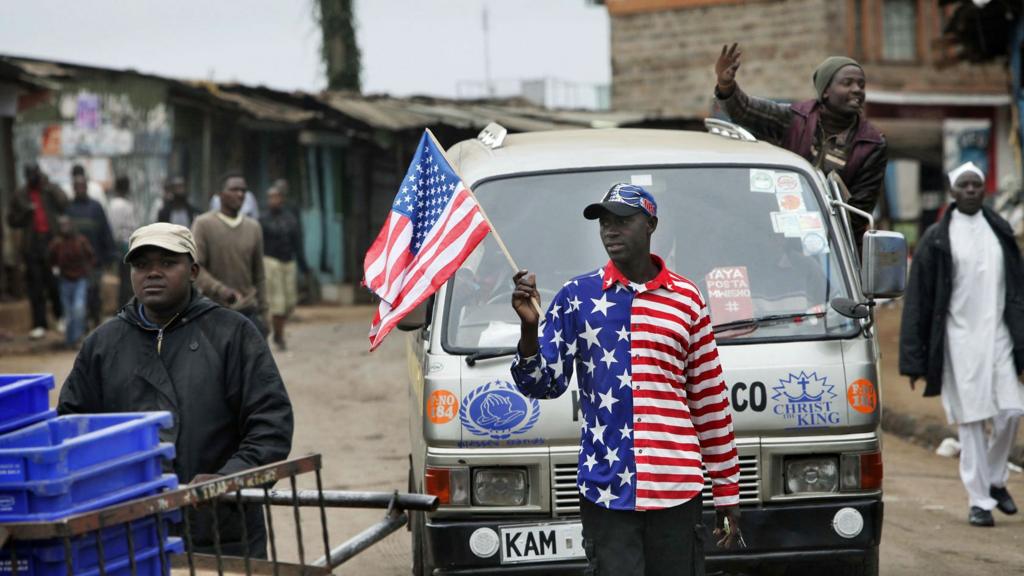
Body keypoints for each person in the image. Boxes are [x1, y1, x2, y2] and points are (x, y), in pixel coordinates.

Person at [509, 183, 742, 575]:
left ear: (651, 224)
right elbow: (542, 384)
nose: (610, 230)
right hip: (607, 491)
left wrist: (727, 491)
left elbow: (710, 402)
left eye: (622, 220)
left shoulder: (687, 299)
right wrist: (530, 330)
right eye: (603, 222)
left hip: (677, 491)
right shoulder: (577, 297)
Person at [57, 222, 294, 557]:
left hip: (221, 530)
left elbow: (271, 425)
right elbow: (71, 427)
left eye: (168, 263)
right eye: (141, 265)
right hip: (129, 530)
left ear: (193, 270)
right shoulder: (102, 344)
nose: (153, 273)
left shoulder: (233, 334)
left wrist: (227, 480)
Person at [899, 161, 1024, 527]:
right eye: (964, 185)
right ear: (952, 192)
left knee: (1012, 411)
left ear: (984, 190)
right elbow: (918, 304)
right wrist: (913, 361)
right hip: (958, 341)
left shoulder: (1000, 230)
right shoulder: (936, 239)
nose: (971, 190)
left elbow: (1017, 291)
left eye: (976, 185)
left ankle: (996, 479)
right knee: (971, 422)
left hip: (998, 336)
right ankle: (979, 499)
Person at [714, 44, 887, 244]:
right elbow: (744, 110)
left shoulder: (873, 143)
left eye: (861, 85)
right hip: (778, 238)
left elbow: (856, 215)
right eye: (847, 83)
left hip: (836, 249)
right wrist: (725, 84)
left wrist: (811, 231)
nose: (857, 90)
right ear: (825, 92)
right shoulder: (794, 118)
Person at [192, 172, 268, 336]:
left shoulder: (253, 227)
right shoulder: (203, 224)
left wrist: (264, 312)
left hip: (248, 310)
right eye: (234, 189)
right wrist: (220, 290)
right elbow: (196, 267)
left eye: (243, 190)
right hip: (213, 311)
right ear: (220, 194)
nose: (240, 194)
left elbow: (259, 274)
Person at [7, 162, 67, 339]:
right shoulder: (20, 195)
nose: (34, 178)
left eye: (36, 174)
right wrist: (26, 212)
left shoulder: (48, 190)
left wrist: (49, 186)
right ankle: (40, 324)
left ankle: (60, 317)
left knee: (54, 283)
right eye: (31, 175)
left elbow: (64, 203)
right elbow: (11, 220)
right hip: (31, 245)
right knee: (36, 286)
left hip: (51, 243)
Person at [66, 166, 116, 330]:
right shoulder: (69, 209)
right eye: (77, 186)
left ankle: (95, 321)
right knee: (82, 295)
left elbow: (105, 231)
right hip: (75, 263)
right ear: (74, 189)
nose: (80, 189)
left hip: (95, 259)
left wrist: (110, 254)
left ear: (87, 187)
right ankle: (83, 324)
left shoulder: (96, 207)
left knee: (95, 292)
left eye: (82, 186)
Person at [260, 186, 302, 350]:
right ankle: (279, 335)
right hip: (271, 262)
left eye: (276, 197)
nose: (273, 200)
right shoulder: (262, 220)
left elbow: (298, 243)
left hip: (288, 262)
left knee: (290, 302)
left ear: (282, 199)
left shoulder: (290, 219)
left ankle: (279, 330)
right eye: (270, 197)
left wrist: (304, 266)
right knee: (278, 303)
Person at [48, 216, 95, 347]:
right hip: (65, 281)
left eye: (67, 225)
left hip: (80, 279)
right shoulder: (57, 243)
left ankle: (77, 337)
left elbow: (91, 256)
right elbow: (51, 259)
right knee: (68, 312)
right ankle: (69, 340)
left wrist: (87, 271)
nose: (65, 228)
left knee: (78, 308)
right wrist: (55, 270)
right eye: (62, 225)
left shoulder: (81, 241)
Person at [107, 176, 139, 307]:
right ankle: (125, 306)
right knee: (127, 279)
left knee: (124, 278)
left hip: (121, 244)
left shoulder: (112, 204)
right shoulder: (124, 205)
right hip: (125, 245)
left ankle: (124, 306)